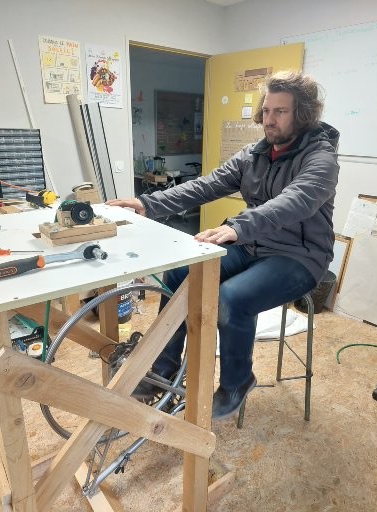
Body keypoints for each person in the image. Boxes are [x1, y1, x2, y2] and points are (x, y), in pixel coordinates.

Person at [106, 70, 340, 420]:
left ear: (302, 115)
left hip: (299, 257)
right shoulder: (254, 154)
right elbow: (206, 186)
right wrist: (148, 204)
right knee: (179, 273)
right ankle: (164, 366)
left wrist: (238, 226)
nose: (268, 119)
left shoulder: (321, 159)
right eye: (266, 110)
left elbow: (296, 201)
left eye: (280, 112)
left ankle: (236, 383)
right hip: (254, 244)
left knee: (231, 298)